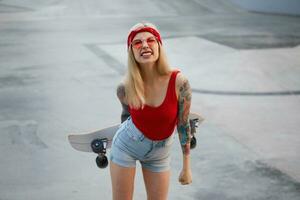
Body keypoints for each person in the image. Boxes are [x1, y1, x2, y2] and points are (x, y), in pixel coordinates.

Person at [110, 22, 193, 200]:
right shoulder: (124, 88)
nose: (145, 45)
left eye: (150, 40)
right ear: (131, 51)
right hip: (126, 146)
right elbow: (127, 116)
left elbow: (183, 126)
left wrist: (186, 167)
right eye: (137, 42)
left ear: (159, 45)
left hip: (160, 154)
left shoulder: (179, 82)